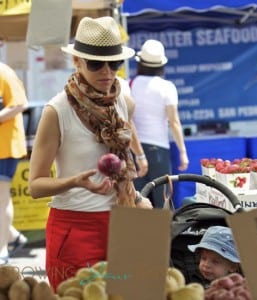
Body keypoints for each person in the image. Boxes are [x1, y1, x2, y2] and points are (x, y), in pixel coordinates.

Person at [28, 16, 152, 291]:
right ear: (77, 62)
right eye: (96, 63)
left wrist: (137, 196)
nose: (107, 72)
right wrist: (74, 181)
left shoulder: (122, 100)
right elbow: (35, 186)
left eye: (114, 63)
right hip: (75, 229)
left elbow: (123, 154)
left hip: (125, 221)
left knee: (136, 295)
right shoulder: (56, 111)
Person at [130, 39, 189, 208]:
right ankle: (164, 235)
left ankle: (136, 234)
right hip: (158, 150)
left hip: (135, 149)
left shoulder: (129, 84)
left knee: (136, 201)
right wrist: (183, 152)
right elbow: (174, 121)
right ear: (161, 65)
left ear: (140, 63)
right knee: (163, 201)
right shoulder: (167, 87)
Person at [0, 62, 28, 265]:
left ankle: (2, 250)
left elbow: (20, 103)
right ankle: (13, 236)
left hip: (6, 148)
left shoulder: (4, 72)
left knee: (1, 199)